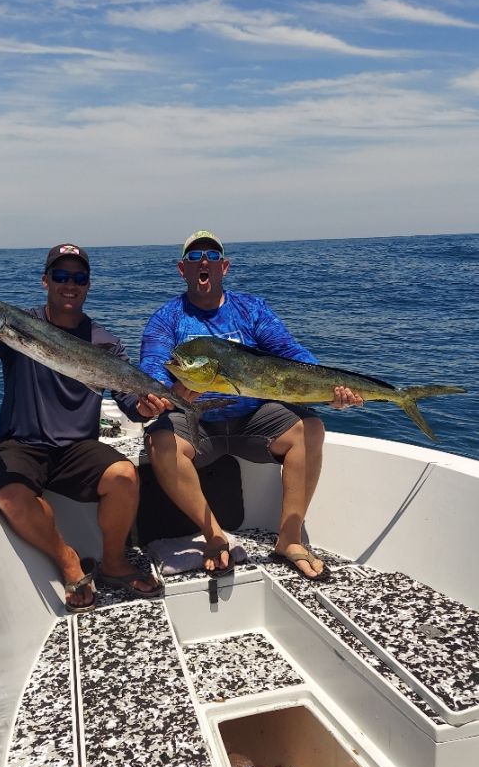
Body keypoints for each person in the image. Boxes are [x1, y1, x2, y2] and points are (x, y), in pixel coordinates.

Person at [140, 232, 363, 580]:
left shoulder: (252, 309)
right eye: (195, 256)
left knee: (311, 428)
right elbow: (152, 370)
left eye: (212, 256)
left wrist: (329, 388)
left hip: (252, 421)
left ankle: (290, 540)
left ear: (224, 267)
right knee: (159, 441)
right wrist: (170, 393)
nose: (204, 261)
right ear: (182, 269)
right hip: (197, 424)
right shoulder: (166, 318)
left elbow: (291, 353)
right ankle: (214, 535)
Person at [0, 243, 166, 611]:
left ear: (88, 285)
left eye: (79, 278)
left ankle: (114, 562)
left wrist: (146, 408)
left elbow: (130, 405)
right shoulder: (17, 323)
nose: (70, 284)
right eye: (61, 275)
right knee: (10, 495)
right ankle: (68, 561)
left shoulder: (106, 343)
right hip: (21, 442)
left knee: (124, 475)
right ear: (46, 281)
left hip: (77, 448)